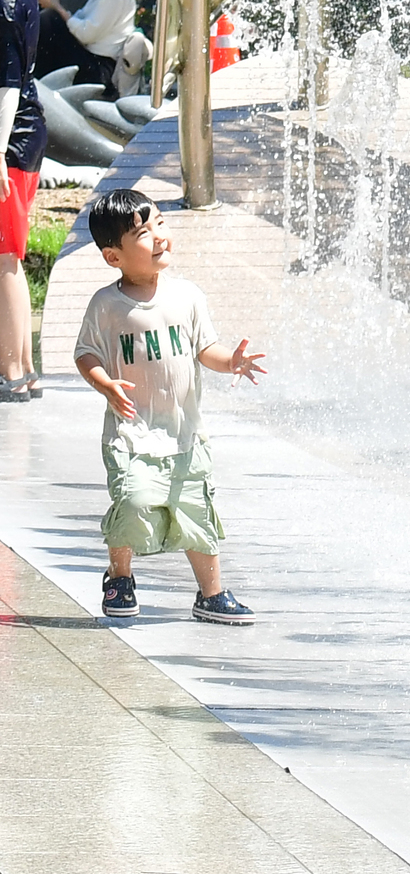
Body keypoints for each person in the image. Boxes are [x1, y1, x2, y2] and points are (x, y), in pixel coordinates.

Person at [75, 190, 264, 623]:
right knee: (134, 502)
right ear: (113, 256)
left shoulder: (187, 296)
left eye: (160, 223)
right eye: (144, 232)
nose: (159, 236)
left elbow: (206, 349)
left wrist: (231, 362)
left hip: (185, 433)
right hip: (132, 434)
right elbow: (85, 354)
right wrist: (105, 383)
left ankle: (211, 593)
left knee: (196, 510)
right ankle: (120, 576)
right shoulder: (107, 306)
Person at [0, 0, 46, 405]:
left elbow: (6, 86)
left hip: (11, 138)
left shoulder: (7, 1)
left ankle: (13, 371)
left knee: (5, 257)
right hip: (22, 135)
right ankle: (23, 368)